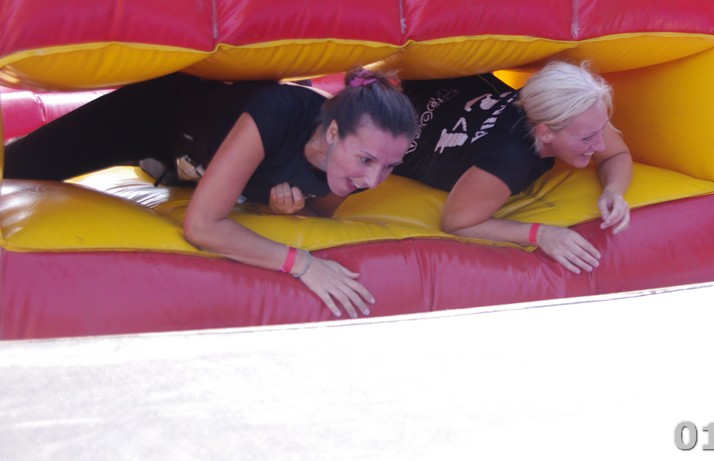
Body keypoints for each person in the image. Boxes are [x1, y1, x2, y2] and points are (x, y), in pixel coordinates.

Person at [4, 69, 418, 318]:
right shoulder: (279, 113)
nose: (374, 180)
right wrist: (302, 264)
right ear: (332, 132)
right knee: (22, 164)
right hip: (154, 116)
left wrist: (278, 210)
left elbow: (320, 215)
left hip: (194, 163)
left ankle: (170, 170)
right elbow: (201, 226)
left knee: (193, 174)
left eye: (390, 165)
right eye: (366, 160)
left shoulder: (349, 170)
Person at [394, 61, 632, 273]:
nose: (600, 145)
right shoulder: (510, 160)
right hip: (402, 120)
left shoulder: (570, 110)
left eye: (601, 129)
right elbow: (457, 223)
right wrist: (542, 234)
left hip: (443, 85)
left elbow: (616, 154)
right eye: (587, 138)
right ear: (545, 132)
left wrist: (613, 191)